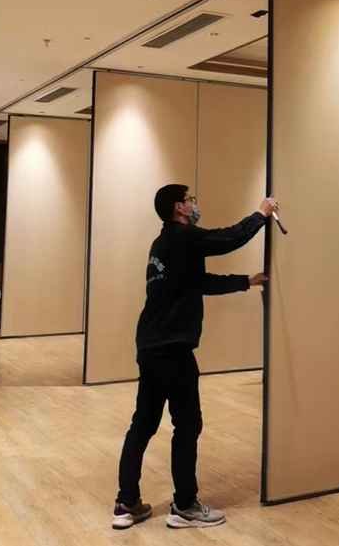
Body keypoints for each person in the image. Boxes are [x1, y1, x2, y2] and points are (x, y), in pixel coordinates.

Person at [112, 184, 278, 530]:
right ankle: (185, 506)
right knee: (188, 425)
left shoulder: (163, 244)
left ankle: (127, 504)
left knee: (143, 424)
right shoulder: (183, 237)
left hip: (150, 345)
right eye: (190, 200)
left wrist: (245, 281)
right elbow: (228, 238)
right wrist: (261, 214)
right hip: (173, 347)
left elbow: (198, 283)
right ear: (179, 207)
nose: (194, 204)